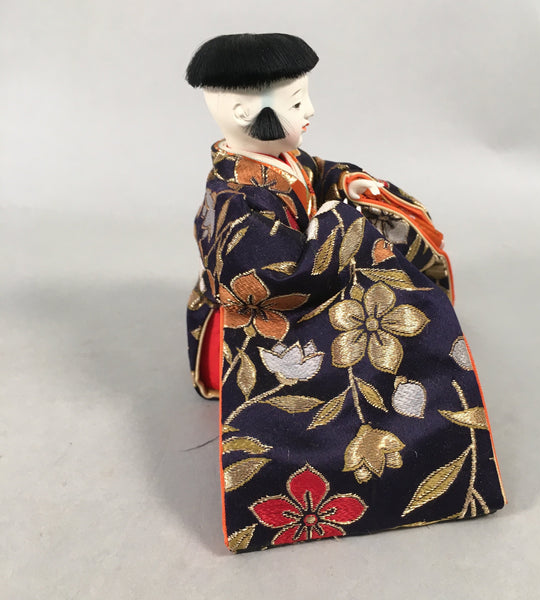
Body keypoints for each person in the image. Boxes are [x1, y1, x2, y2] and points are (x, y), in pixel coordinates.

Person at [185, 33, 505, 552]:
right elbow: (270, 276)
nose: (310, 110)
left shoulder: (279, 162)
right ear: (244, 112)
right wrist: (340, 226)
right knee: (406, 330)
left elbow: (315, 172)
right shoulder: (233, 195)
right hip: (281, 318)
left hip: (314, 279)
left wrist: (345, 185)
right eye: (296, 102)